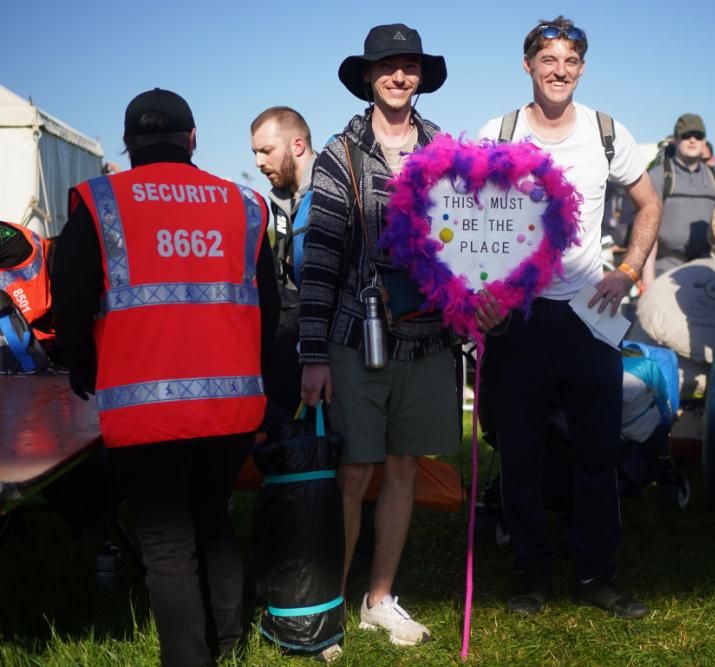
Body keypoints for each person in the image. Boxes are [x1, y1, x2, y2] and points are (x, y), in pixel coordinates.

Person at [52, 88, 280, 666]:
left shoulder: (100, 203)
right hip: (232, 406)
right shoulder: (245, 205)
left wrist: (81, 362)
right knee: (213, 518)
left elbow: (70, 301)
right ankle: (230, 644)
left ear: (128, 144)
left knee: (166, 543)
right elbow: (271, 308)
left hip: (142, 409)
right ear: (193, 139)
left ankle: (187, 658)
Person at [478, 15, 661, 619]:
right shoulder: (498, 132)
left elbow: (648, 204)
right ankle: (531, 573)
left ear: (582, 68)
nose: (560, 71)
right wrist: (478, 289)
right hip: (520, 316)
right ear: (527, 65)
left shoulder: (607, 131)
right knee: (520, 451)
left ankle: (595, 573)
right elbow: (468, 217)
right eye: (548, 60)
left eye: (571, 62)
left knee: (597, 451)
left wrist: (628, 270)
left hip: (590, 312)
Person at [298, 23, 470, 646]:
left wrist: (482, 299)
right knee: (354, 471)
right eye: (387, 66)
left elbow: (471, 245)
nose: (399, 76)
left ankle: (379, 598)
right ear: (368, 77)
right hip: (356, 335)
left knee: (404, 467)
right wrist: (313, 354)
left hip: (429, 340)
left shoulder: (448, 152)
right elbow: (319, 260)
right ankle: (331, 606)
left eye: (409, 66)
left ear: (420, 77)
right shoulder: (339, 154)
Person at [250, 106, 317, 411]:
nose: (258, 162)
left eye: (266, 151)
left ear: (298, 146)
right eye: (255, 153)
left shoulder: (333, 192)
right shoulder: (279, 201)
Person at [647, 113, 715, 274]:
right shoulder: (659, 175)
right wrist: (647, 278)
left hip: (708, 266)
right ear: (675, 139)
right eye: (686, 135)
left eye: (698, 135)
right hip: (666, 267)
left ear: (704, 141)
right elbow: (647, 228)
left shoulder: (714, 179)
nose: (692, 140)